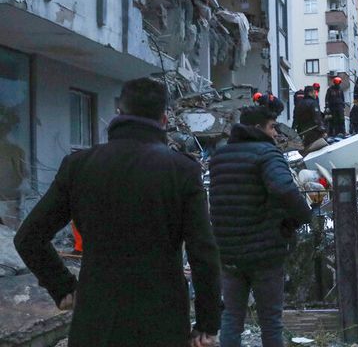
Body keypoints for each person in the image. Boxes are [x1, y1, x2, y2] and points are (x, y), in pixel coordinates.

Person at [14, 78, 221, 347]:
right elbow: (203, 252)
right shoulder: (182, 170)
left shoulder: (79, 166)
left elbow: (28, 237)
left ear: (119, 114)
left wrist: (61, 285)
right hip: (161, 321)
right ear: (164, 119)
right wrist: (207, 323)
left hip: (97, 319)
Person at [209, 106, 312, 347]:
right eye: (272, 126)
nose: (276, 132)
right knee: (270, 321)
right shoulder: (267, 154)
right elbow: (284, 189)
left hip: (229, 252)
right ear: (257, 129)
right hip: (264, 253)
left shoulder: (219, 157)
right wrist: (304, 216)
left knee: (232, 317)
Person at [293, 85, 326, 150]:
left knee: (306, 150)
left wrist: (294, 132)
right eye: (314, 92)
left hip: (302, 132)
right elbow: (317, 118)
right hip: (313, 132)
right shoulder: (313, 103)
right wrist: (323, 131)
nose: (315, 94)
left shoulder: (299, 104)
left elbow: (295, 119)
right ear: (310, 93)